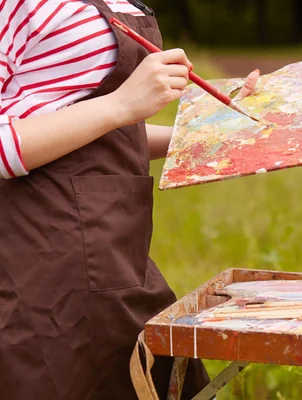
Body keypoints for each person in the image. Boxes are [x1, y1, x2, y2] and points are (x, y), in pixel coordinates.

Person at [0, 1, 259, 398]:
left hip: (116, 257)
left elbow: (104, 129)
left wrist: (214, 133)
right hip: (36, 259)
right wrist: (121, 104)